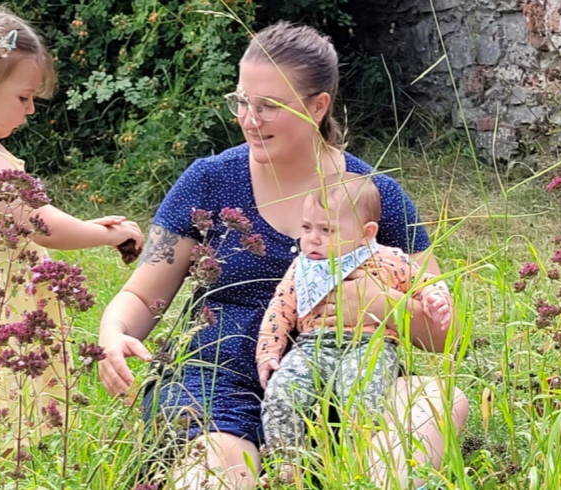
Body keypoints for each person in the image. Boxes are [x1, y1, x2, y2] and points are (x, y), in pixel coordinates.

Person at [97, 21, 469, 489]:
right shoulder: (208, 181)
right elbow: (142, 294)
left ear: (318, 106)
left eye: (269, 106)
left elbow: (447, 335)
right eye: (242, 102)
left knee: (437, 400)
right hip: (222, 388)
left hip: (352, 389)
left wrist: (381, 304)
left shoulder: (374, 194)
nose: (250, 118)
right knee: (217, 469)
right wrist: (112, 335)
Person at [0, 3, 144, 442]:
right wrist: (107, 235)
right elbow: (45, 226)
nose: (30, 111)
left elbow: (25, 217)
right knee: (8, 405)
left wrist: (86, 221)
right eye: (23, 98)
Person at [256, 172, 453, 483]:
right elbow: (280, 309)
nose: (313, 239)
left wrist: (436, 299)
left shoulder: (389, 259)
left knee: (362, 395)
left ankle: (355, 462)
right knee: (283, 392)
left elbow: (424, 281)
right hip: (311, 344)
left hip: (371, 344)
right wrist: (268, 351)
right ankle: (287, 465)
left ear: (366, 232)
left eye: (327, 229)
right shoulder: (303, 267)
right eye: (306, 228)